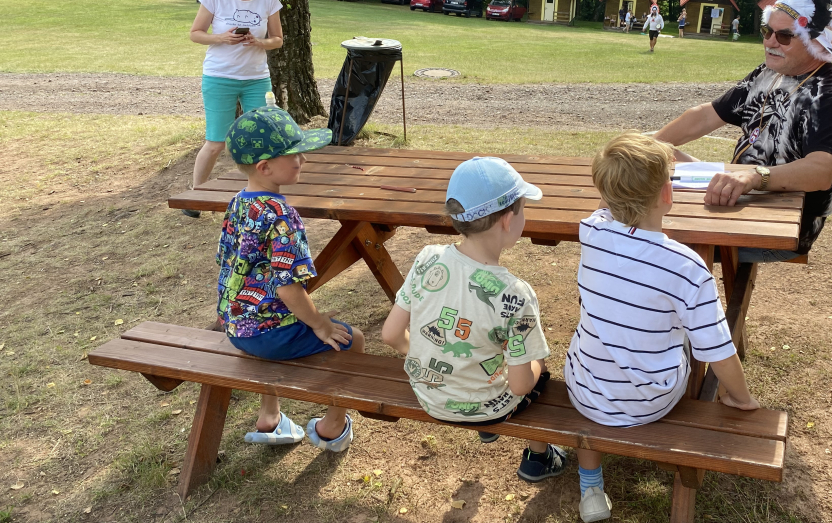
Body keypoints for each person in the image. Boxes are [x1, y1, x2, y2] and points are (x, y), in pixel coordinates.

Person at [654, 0, 832, 262]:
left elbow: (820, 171)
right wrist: (650, 144)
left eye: (784, 36)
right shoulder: (768, 73)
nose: (770, 42)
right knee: (656, 161)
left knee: (659, 242)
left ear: (815, 40)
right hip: (740, 195)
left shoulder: (831, 96)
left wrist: (755, 176)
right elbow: (707, 115)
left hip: (785, 222)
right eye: (767, 31)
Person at [565, 133, 759, 522]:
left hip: (583, 392)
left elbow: (604, 207)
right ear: (667, 194)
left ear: (605, 194)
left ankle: (591, 488)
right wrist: (742, 398)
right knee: (688, 331)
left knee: (596, 351)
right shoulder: (686, 266)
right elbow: (718, 351)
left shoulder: (592, 231)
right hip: (650, 401)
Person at [382, 157, 566, 483]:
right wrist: (537, 364)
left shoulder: (428, 259)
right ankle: (538, 458)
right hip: (488, 407)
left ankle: (501, 435)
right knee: (539, 369)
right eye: (523, 209)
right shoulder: (515, 294)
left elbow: (391, 335)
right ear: (508, 220)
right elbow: (520, 385)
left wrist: (429, 357)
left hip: (428, 396)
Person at [217, 105, 365, 450]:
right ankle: (332, 427)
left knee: (273, 336)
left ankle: (270, 418)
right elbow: (288, 287)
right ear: (265, 167)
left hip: (236, 326)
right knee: (354, 340)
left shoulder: (239, 202)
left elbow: (227, 260)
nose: (303, 159)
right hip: (269, 335)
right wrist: (320, 324)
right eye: (293, 154)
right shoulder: (282, 216)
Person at [183, 0, 284, 218]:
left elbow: (277, 39)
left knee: (259, 140)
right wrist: (221, 38)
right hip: (219, 77)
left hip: (256, 79)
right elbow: (195, 33)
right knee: (216, 142)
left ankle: (261, 198)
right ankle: (196, 196)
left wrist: (259, 42)